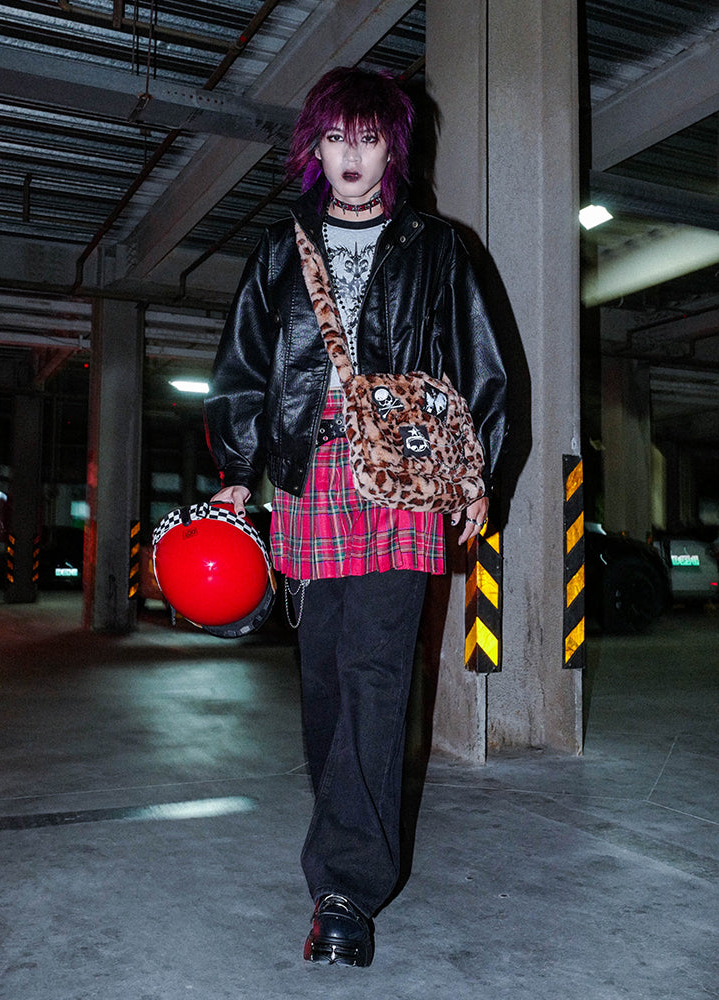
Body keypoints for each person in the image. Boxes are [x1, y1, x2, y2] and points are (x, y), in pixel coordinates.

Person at [203, 66, 507, 967]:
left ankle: (345, 890)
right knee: (327, 681)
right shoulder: (279, 248)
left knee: (377, 673)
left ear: (392, 150)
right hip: (311, 474)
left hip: (403, 477)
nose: (350, 156)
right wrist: (238, 471)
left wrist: (480, 472)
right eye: (336, 137)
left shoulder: (437, 248)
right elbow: (244, 365)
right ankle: (346, 824)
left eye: (368, 139)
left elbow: (481, 361)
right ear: (315, 146)